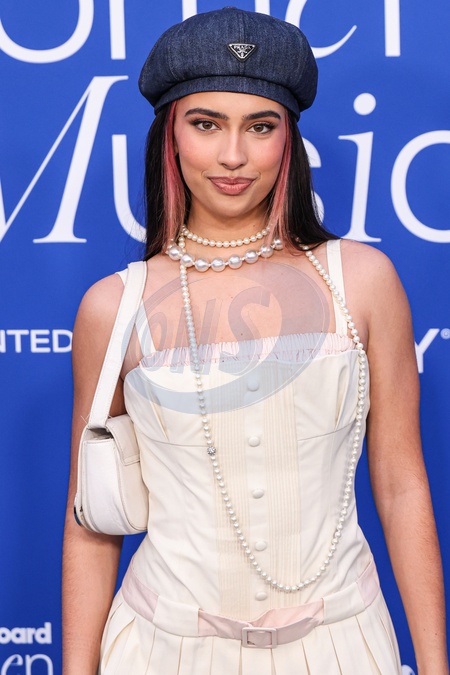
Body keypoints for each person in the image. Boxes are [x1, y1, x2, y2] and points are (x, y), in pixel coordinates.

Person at [62, 8, 448, 674]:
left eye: (260, 126)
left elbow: (401, 484)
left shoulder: (363, 280)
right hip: (158, 651)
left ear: (288, 139)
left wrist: (436, 664)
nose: (233, 155)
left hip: (345, 648)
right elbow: (91, 521)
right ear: (169, 135)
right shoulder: (112, 307)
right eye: (206, 124)